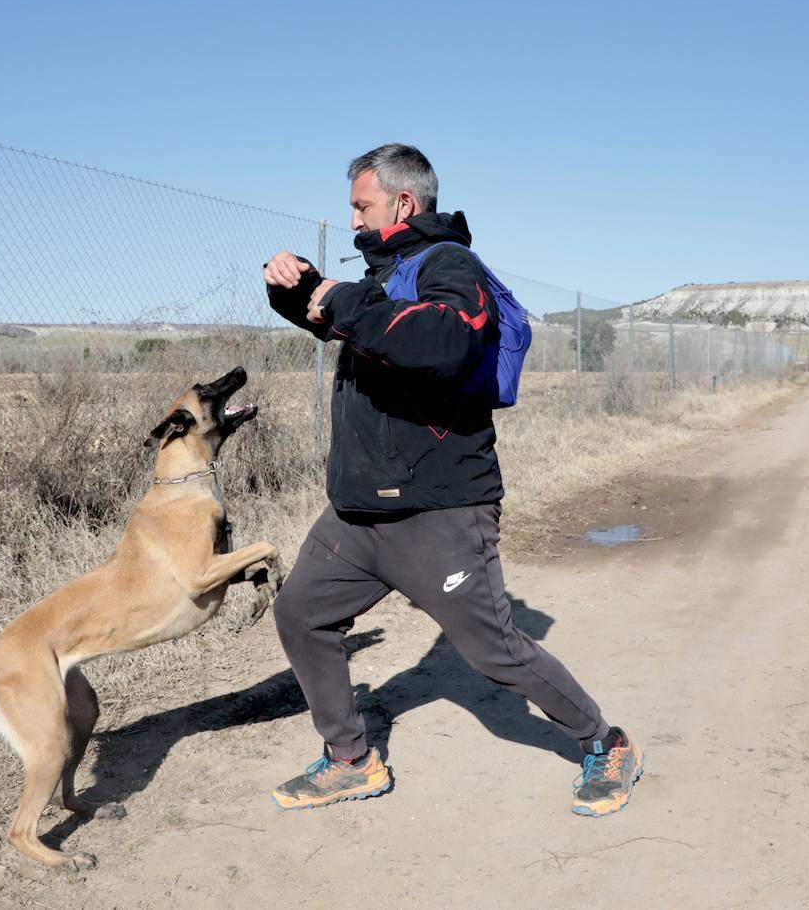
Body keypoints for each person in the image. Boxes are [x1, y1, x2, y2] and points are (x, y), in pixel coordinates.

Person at [262, 143, 639, 817]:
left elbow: (442, 341)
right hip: (358, 513)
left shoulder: (449, 266)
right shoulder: (380, 278)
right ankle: (351, 760)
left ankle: (606, 744)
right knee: (300, 614)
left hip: (438, 509)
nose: (352, 219)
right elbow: (342, 319)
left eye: (361, 205)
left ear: (403, 202)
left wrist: (343, 298)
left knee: (495, 652)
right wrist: (293, 287)